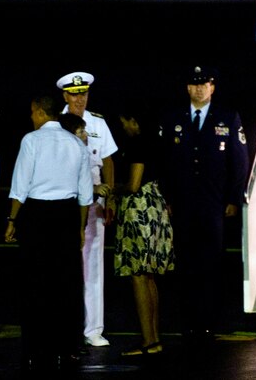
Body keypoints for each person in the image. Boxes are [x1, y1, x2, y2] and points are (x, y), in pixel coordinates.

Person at [158, 65, 250, 343]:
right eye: (195, 84)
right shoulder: (173, 117)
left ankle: (208, 321)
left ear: (213, 87)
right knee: (185, 263)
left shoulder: (227, 117)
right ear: (188, 87)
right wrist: (169, 198)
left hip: (214, 203)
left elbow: (240, 160)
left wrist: (233, 198)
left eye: (205, 84)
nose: (199, 88)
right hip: (184, 203)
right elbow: (164, 162)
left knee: (211, 263)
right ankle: (188, 321)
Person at [4, 95, 93, 371]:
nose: (31, 117)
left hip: (37, 216)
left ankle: (34, 349)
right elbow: (85, 194)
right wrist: (80, 228)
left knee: (35, 284)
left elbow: (21, 185)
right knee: (67, 284)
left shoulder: (31, 141)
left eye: (33, 112)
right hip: (67, 215)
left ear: (41, 112)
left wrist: (12, 220)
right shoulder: (76, 144)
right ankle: (67, 349)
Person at [57, 71, 118, 348]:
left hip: (95, 201)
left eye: (83, 93)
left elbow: (107, 160)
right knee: (64, 265)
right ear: (65, 95)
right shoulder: (55, 124)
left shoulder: (97, 123)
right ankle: (65, 326)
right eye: (74, 94)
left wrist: (111, 197)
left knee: (93, 264)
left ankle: (93, 328)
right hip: (63, 199)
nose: (79, 99)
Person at [110, 102, 175, 356]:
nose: (123, 127)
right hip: (156, 207)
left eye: (125, 122)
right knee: (149, 276)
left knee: (138, 274)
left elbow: (134, 184)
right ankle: (154, 339)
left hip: (139, 211)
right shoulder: (157, 141)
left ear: (134, 121)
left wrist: (112, 189)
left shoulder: (138, 144)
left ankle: (147, 340)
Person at [58, 113, 112, 200]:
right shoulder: (63, 159)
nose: (86, 134)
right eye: (81, 131)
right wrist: (94, 189)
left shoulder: (81, 154)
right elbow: (66, 184)